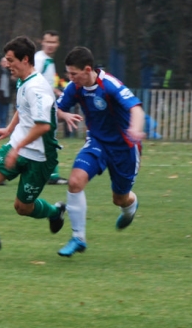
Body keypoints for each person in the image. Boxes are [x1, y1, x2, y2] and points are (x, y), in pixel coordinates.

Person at [0, 36, 66, 256]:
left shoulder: (37, 88)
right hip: (19, 145)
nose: (7, 64)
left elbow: (43, 126)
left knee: (23, 208)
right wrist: (10, 129)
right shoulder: (23, 81)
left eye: (10, 60)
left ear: (24, 59)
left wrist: (16, 148)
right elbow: (23, 109)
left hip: (40, 157)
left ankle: (54, 211)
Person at [55, 46, 145, 257]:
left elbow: (136, 109)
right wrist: (64, 115)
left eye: (74, 74)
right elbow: (57, 108)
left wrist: (135, 128)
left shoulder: (110, 85)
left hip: (124, 148)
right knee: (75, 181)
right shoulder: (74, 87)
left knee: (119, 198)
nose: (70, 78)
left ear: (88, 69)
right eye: (69, 73)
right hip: (96, 143)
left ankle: (130, 207)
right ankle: (78, 238)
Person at [34, 29, 68, 185]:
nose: (50, 45)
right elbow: (32, 80)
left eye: (53, 42)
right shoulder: (41, 60)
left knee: (36, 139)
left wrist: (57, 92)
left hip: (45, 105)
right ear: (42, 42)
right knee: (48, 139)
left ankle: (0, 169)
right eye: (47, 41)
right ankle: (52, 175)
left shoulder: (48, 60)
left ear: (58, 44)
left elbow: (45, 83)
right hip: (40, 106)